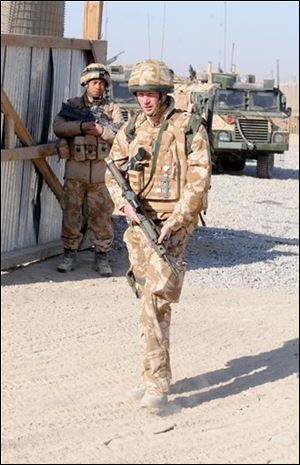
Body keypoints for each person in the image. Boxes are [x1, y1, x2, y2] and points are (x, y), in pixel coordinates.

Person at [105, 59, 212, 408]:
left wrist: (176, 220)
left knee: (155, 299)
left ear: (163, 93)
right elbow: (112, 172)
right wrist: (124, 205)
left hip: (171, 226)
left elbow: (199, 182)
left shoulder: (188, 127)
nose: (145, 101)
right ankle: (153, 375)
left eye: (151, 94)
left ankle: (156, 383)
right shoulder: (132, 129)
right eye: (140, 94)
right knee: (146, 300)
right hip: (139, 224)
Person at [53, 63, 124, 276]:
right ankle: (69, 254)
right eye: (94, 82)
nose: (98, 86)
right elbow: (58, 127)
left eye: (102, 83)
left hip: (102, 173)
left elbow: (121, 134)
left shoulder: (112, 109)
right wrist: (81, 127)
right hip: (76, 170)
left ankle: (102, 256)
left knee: (102, 215)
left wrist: (102, 130)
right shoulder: (73, 106)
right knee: (71, 213)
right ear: (86, 83)